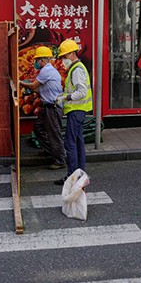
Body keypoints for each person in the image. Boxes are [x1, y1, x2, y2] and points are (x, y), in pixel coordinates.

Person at [19, 46, 65, 170]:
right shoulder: (48, 70)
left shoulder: (47, 70)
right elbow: (38, 89)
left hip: (52, 108)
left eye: (37, 60)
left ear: (42, 60)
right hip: (47, 107)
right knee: (38, 128)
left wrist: (19, 82)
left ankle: (60, 160)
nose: (35, 63)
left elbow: (34, 85)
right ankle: (50, 151)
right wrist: (28, 86)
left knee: (54, 134)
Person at [54, 39, 92, 185]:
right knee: (78, 143)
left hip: (76, 111)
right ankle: (80, 174)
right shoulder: (78, 68)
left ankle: (72, 177)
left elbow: (81, 92)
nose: (63, 60)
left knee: (70, 144)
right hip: (79, 112)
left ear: (71, 54)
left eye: (64, 56)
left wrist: (66, 97)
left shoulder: (76, 70)